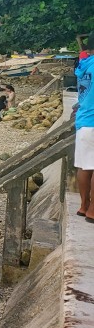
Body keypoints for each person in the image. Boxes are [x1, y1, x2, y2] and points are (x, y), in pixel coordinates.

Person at [75, 31, 94, 221]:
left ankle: (83, 206)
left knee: (84, 167)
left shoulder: (84, 66)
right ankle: (93, 210)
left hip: (83, 123)